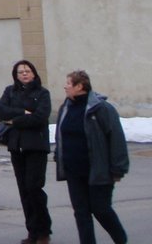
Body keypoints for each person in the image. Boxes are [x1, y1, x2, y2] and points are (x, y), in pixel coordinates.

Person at [55, 70, 129, 244]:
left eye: (68, 83)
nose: (65, 86)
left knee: (101, 209)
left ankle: (121, 239)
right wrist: (60, 156)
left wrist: (118, 168)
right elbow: (61, 134)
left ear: (80, 86)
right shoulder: (66, 107)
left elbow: (116, 139)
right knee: (81, 213)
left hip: (98, 171)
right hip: (74, 171)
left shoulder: (101, 109)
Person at [0, 59, 53, 244]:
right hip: (17, 147)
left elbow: (40, 118)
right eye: (20, 72)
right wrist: (23, 113)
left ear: (34, 73)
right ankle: (32, 232)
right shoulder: (10, 91)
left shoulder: (42, 93)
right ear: (16, 75)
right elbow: (2, 110)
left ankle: (44, 230)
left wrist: (16, 120)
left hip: (36, 147)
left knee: (34, 188)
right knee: (24, 191)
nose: (24, 74)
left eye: (27, 71)